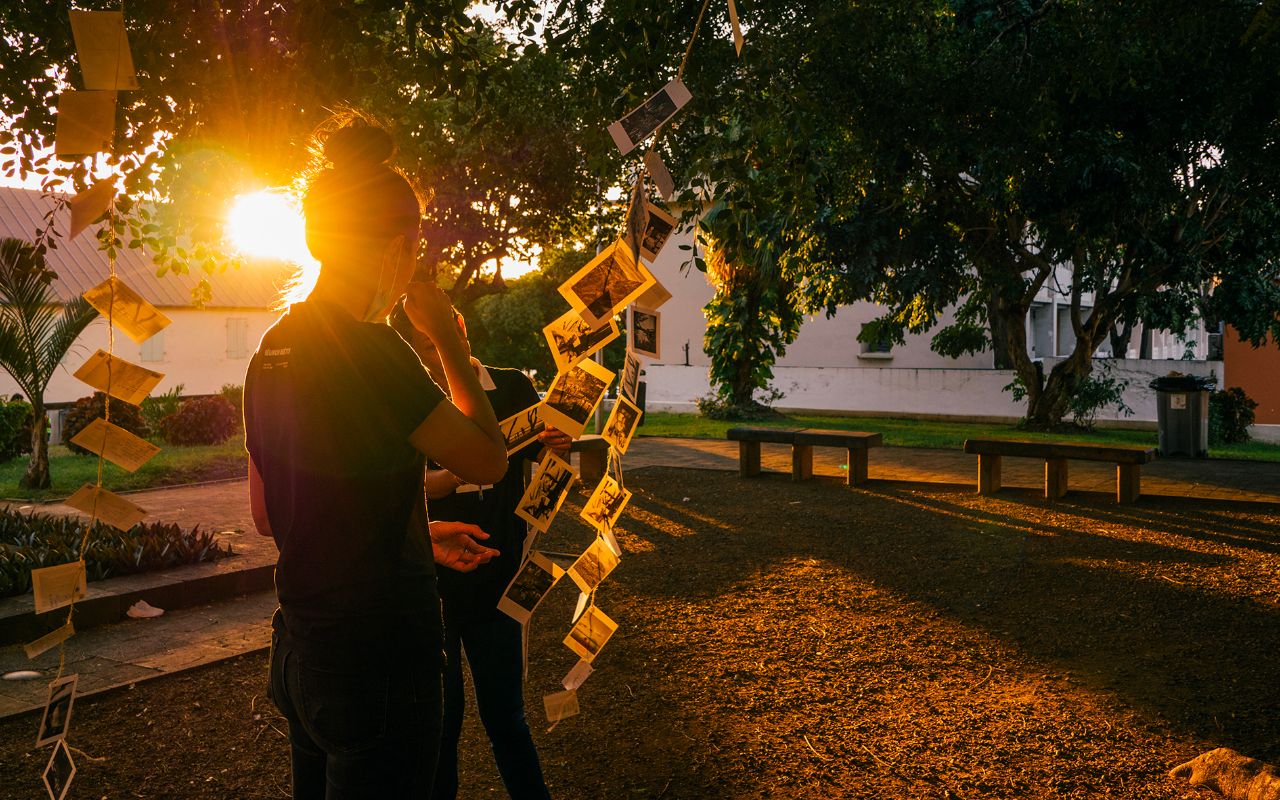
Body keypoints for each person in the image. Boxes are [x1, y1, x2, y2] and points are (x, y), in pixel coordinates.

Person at [244, 113, 509, 799]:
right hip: (380, 657)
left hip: (304, 649)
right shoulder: (373, 350)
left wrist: (414, 534)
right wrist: (450, 338)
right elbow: (487, 460)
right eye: (417, 244)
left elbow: (275, 514)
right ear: (400, 243)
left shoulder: (272, 349)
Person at [390, 306, 571, 800]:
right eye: (421, 351)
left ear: (459, 330)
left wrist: (559, 445)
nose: (434, 360)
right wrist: (443, 481)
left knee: (507, 719)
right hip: (434, 587)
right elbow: (394, 485)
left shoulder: (512, 387)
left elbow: (548, 462)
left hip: (500, 579)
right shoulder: (412, 397)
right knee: (440, 726)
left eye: (436, 345)